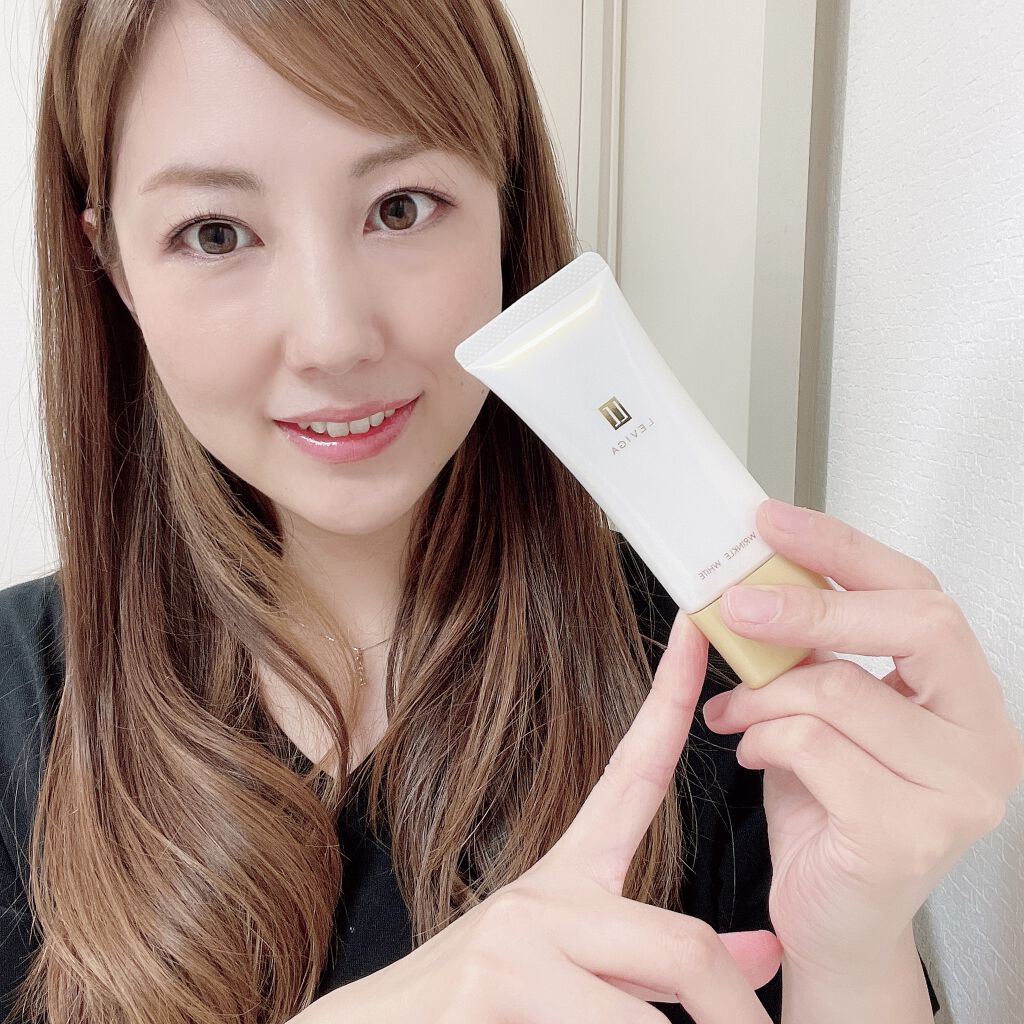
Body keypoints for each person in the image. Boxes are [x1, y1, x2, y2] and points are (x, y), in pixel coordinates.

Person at [1, 0, 1020, 1021]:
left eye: (400, 207)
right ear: (112, 264)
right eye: (215, 233)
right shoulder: (16, 704)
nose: (333, 338)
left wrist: (855, 949)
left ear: (506, 210)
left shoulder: (726, 688)